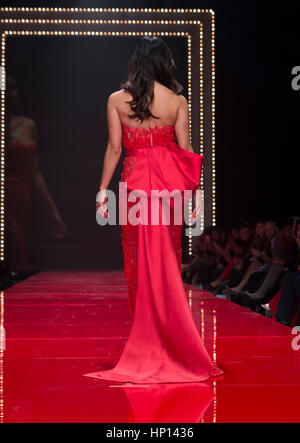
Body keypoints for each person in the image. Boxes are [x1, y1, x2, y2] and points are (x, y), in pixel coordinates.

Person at [84, 36, 223, 383]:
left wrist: (102, 191)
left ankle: (146, 341)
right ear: (163, 62)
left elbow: (114, 150)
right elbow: (187, 151)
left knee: (138, 266)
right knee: (166, 264)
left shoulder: (117, 100)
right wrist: (194, 198)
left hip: (133, 189)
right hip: (168, 190)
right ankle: (170, 343)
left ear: (136, 62)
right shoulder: (177, 101)